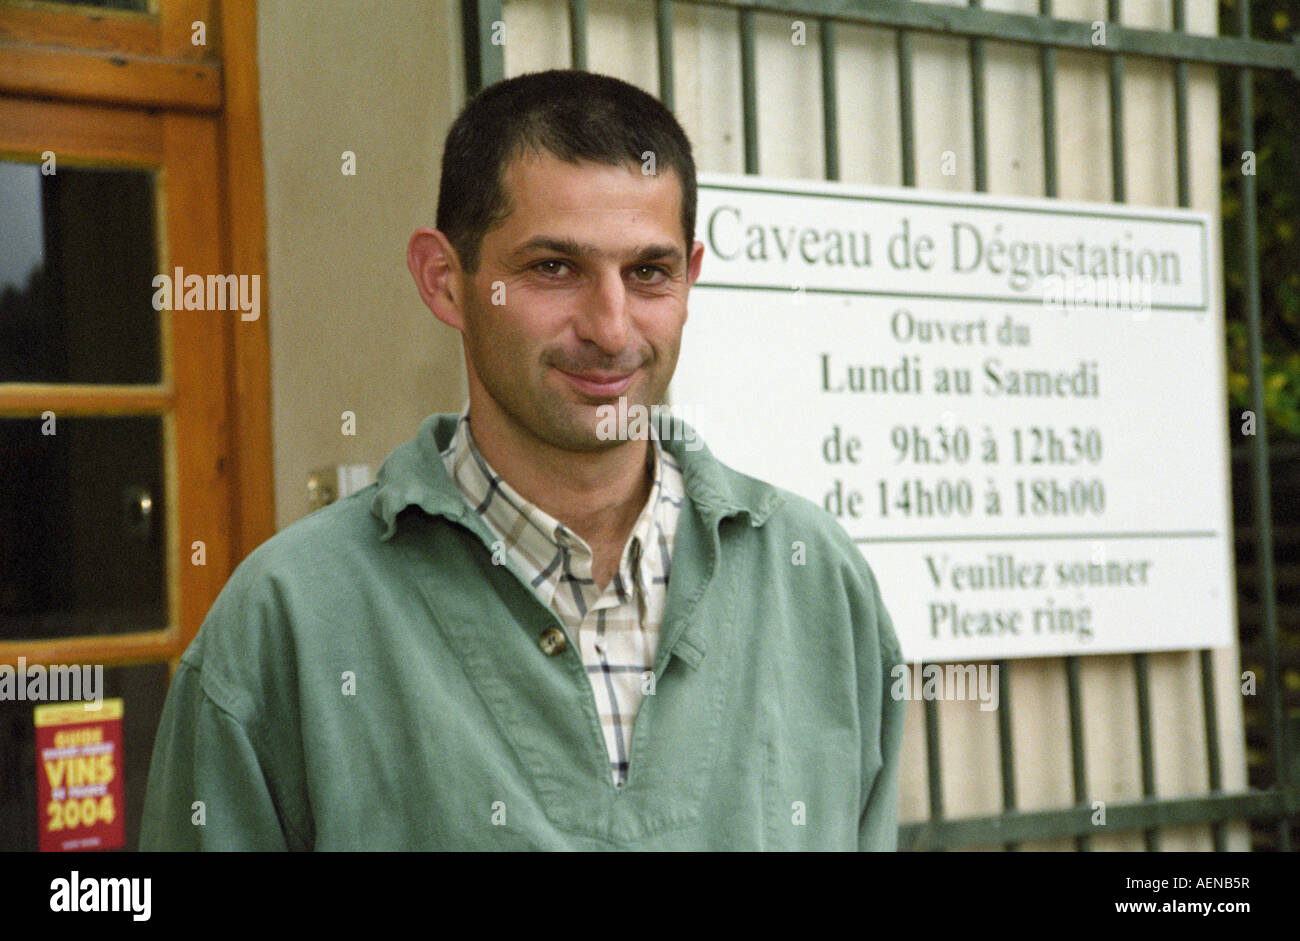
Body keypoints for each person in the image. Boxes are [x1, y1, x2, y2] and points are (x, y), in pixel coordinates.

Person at [140, 68, 904, 851]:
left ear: (690, 277)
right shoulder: (290, 618)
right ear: (445, 282)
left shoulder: (815, 582)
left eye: (648, 272)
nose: (611, 328)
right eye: (553, 268)